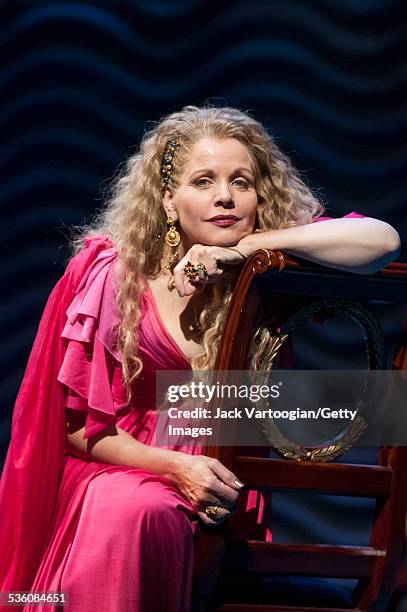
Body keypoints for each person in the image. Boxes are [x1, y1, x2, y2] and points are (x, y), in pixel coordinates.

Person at [0, 105, 400, 612]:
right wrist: (174, 467)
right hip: (126, 473)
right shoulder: (115, 273)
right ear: (168, 200)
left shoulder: (270, 271)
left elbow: (382, 241)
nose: (225, 197)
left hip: (225, 488)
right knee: (133, 512)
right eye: (203, 181)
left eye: (242, 182)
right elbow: (78, 428)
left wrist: (251, 248)